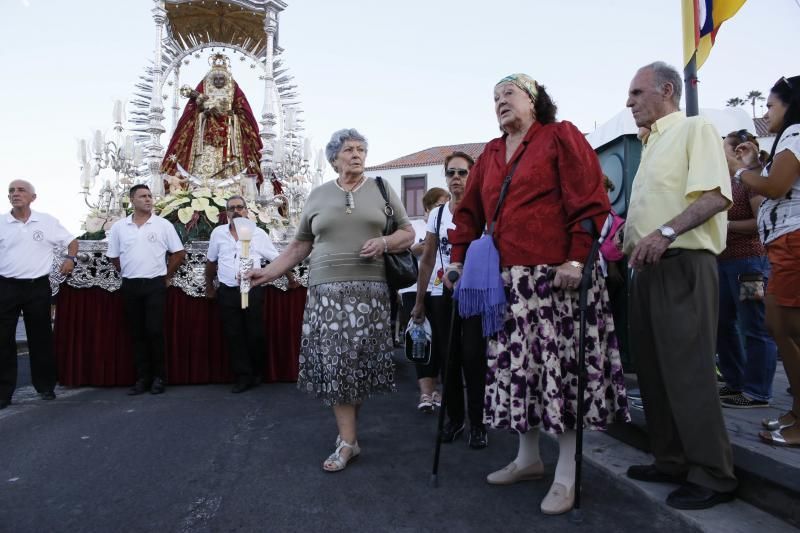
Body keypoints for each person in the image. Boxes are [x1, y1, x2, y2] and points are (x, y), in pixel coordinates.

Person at [447, 74, 628, 514]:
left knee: (560, 372)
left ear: (534, 100)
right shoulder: (490, 152)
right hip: (509, 283)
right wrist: (457, 258)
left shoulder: (559, 137)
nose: (499, 102)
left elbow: (589, 201)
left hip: (557, 278)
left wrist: (576, 258)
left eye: (508, 94)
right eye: (494, 98)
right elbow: (469, 211)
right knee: (519, 372)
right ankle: (528, 459)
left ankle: (567, 473)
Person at [246, 129, 414, 472]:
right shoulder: (319, 195)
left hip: (371, 293)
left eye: (361, 149)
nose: (356, 154)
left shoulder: (381, 189)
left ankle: (347, 433)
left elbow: (407, 233)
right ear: (334, 158)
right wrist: (267, 273)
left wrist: (383, 244)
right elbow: (299, 246)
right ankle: (348, 441)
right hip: (327, 293)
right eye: (349, 149)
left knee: (359, 366)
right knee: (338, 364)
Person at [623, 61, 737, 509]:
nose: (629, 102)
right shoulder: (649, 145)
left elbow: (715, 195)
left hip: (683, 263)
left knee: (688, 373)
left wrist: (665, 232)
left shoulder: (695, 129)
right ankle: (670, 459)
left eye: (636, 93)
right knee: (651, 372)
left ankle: (713, 473)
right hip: (647, 269)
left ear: (666, 90)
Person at [731, 75, 800, 446]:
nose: (768, 112)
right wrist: (756, 164)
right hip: (783, 244)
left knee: (784, 328)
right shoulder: (787, 141)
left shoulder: (795, 133)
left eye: (771, 105)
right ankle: (796, 412)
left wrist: (743, 173)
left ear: (789, 105)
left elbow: (776, 188)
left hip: (792, 243)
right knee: (782, 327)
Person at [412, 152, 489, 449]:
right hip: (443, 293)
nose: (456, 178)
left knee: (473, 357)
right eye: (451, 173)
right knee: (449, 358)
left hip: (475, 293)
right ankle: (455, 420)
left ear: (472, 176)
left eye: (462, 173)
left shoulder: (483, 210)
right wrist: (420, 301)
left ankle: (478, 423)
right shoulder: (438, 214)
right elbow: (428, 259)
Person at [0, 180, 77, 408]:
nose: (15, 194)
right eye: (11, 191)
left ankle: (45, 387)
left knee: (41, 338)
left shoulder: (47, 221)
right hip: (6, 286)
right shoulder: (2, 223)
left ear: (33, 197)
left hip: (37, 287)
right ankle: (4, 393)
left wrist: (70, 259)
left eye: (21, 190)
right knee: (3, 340)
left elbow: (72, 242)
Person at [716, 130, 777, 409]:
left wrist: (724, 226)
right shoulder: (725, 181)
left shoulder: (751, 180)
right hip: (724, 263)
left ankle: (757, 392)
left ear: (737, 150)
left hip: (750, 265)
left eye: (723, 147)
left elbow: (759, 222)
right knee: (721, 323)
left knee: (755, 325)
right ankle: (736, 382)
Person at [106, 184, 186, 395]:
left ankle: (160, 378)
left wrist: (166, 276)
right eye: (143, 196)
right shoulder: (119, 227)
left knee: (154, 331)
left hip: (154, 284)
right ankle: (142, 379)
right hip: (131, 285)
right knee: (136, 333)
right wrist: (128, 271)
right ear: (132, 200)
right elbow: (114, 257)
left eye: (150, 196)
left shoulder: (163, 225)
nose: (148, 199)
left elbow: (178, 253)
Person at [205, 195, 279, 393]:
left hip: (251, 290)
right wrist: (209, 286)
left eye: (240, 207)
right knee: (234, 334)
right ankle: (242, 376)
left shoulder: (258, 234)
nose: (236, 211)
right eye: (231, 208)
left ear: (247, 210)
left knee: (254, 333)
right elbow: (211, 262)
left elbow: (276, 259)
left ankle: (256, 373)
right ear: (226, 213)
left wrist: (290, 278)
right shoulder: (218, 233)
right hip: (228, 291)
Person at [161, 53, 264, 188]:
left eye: (222, 79)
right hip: (205, 140)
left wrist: (231, 117)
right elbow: (190, 116)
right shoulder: (201, 93)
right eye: (216, 79)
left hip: (229, 140)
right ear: (210, 80)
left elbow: (245, 114)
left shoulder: (234, 92)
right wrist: (204, 115)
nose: (219, 81)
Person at [400, 186, 449, 413]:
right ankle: (425, 393)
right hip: (414, 289)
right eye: (439, 205)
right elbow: (405, 250)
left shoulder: (449, 224)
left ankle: (437, 390)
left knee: (440, 340)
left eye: (445, 205)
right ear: (428, 207)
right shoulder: (417, 226)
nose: (442, 209)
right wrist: (417, 248)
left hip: (440, 289)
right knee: (419, 339)